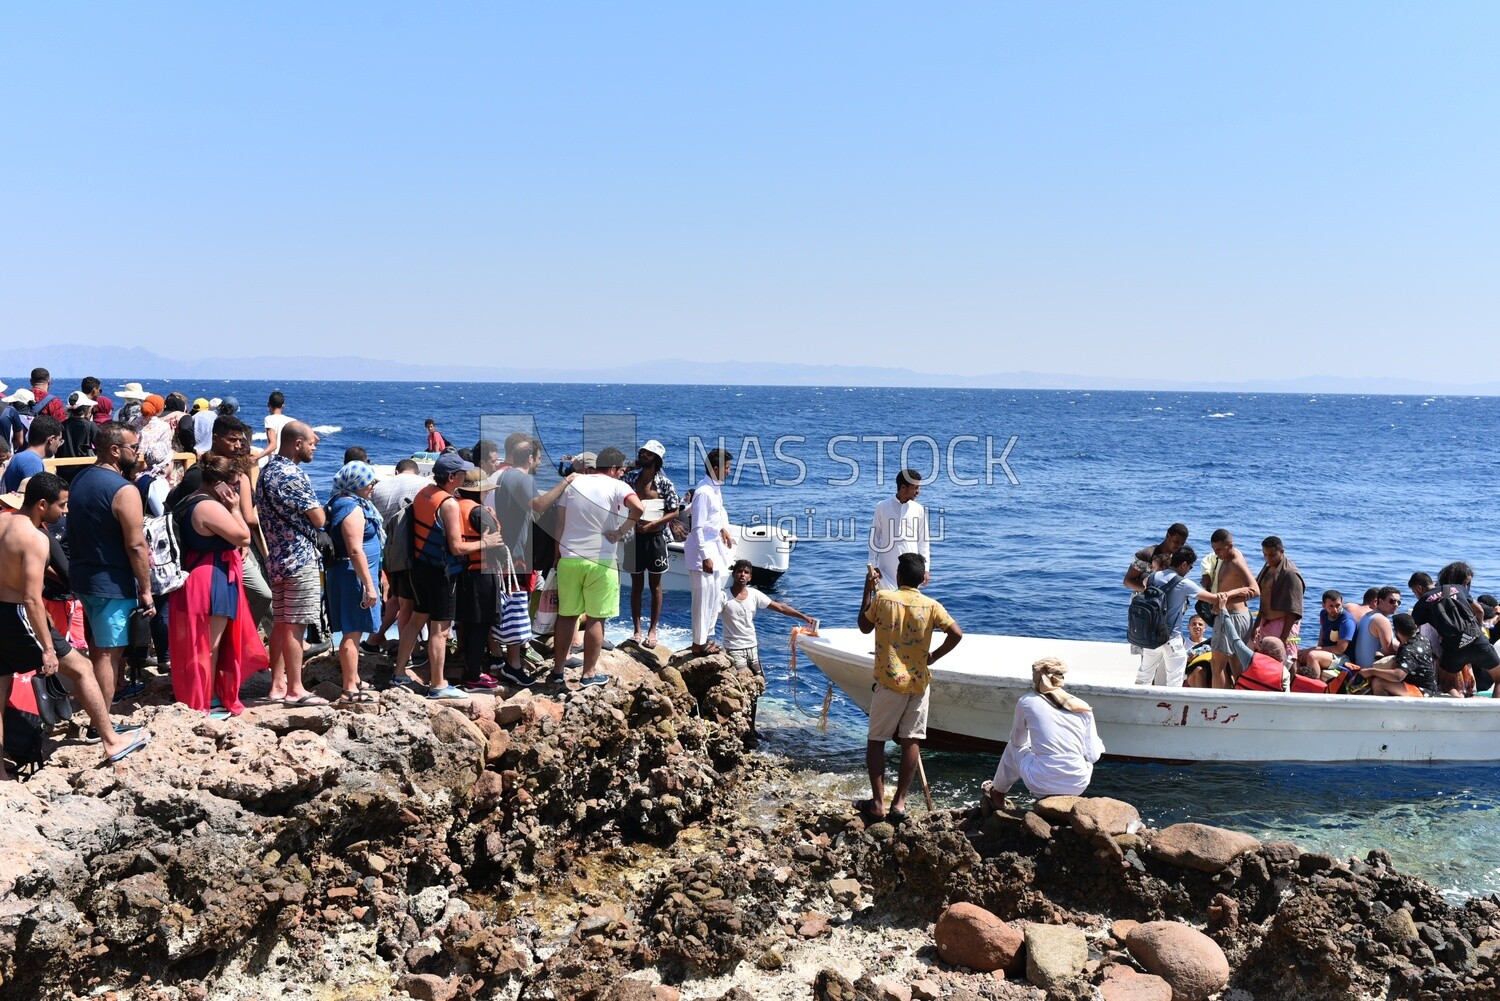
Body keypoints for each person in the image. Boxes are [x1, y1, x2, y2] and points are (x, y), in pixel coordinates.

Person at [0, 473, 149, 775]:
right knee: (82, 669)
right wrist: (47, 650)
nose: (65, 512)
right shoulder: (36, 539)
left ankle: (1, 771)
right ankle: (111, 740)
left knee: (0, 691)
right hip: (19, 614)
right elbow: (31, 599)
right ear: (42, 504)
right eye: (62, 505)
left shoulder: (2, 522)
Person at [856, 553, 962, 823]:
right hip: (918, 683)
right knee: (911, 740)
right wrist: (934, 657)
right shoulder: (931, 605)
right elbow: (956, 634)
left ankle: (878, 804)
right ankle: (899, 805)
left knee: (876, 741)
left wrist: (868, 589)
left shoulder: (883, 599)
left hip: (889, 682)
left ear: (900, 576)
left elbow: (864, 627)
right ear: (922, 579)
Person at [391, 452, 502, 700]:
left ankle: (399, 673)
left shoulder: (425, 492)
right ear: (452, 477)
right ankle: (438, 685)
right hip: (441, 574)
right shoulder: (448, 503)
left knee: (417, 620)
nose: (465, 476)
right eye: (462, 473)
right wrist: (486, 542)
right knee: (440, 630)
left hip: (419, 567)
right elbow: (457, 548)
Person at [168, 454, 267, 715]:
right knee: (209, 645)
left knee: (200, 643)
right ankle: (208, 699)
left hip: (199, 573)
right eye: (233, 485)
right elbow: (243, 536)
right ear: (219, 484)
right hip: (211, 577)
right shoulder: (209, 507)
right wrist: (234, 509)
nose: (235, 490)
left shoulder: (189, 500)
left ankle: (203, 695)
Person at [66, 422, 156, 707]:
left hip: (84, 577)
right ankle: (101, 721)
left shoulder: (80, 479)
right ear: (115, 451)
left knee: (98, 648)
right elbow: (136, 544)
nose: (138, 453)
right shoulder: (124, 490)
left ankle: (96, 709)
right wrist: (146, 589)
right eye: (134, 447)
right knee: (109, 652)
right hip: (111, 583)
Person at [551, 447, 644, 685]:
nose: (623, 474)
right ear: (613, 469)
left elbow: (559, 524)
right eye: (621, 470)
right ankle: (588, 674)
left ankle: (558, 670)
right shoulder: (618, 486)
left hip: (569, 558)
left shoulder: (574, 483)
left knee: (566, 616)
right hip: (601, 561)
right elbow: (639, 508)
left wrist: (557, 555)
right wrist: (621, 531)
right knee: (595, 618)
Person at [253, 420, 327, 706]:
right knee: (296, 626)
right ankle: (296, 689)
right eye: (310, 444)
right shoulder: (291, 474)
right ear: (297, 444)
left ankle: (277, 685)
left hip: (277, 560)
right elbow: (318, 519)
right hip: (299, 558)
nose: (313, 449)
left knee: (281, 625)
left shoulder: (267, 471)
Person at [719, 558, 817, 746]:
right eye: (739, 571)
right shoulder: (724, 596)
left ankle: (751, 728)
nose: (742, 575)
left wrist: (803, 616)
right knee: (744, 689)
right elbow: (710, 614)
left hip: (752, 649)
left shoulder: (755, 594)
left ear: (750, 576)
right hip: (734, 650)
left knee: (757, 688)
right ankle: (743, 730)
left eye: (746, 572)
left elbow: (779, 607)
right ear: (733, 574)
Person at [983, 657, 1104, 806]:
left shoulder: (1027, 701)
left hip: (1041, 781)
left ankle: (998, 793)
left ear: (1038, 677)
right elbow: (1093, 755)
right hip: (1078, 784)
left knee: (1013, 747)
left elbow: (1017, 741)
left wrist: (1036, 749)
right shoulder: (1082, 707)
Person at [325, 461, 383, 704]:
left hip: (353, 574)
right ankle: (349, 689)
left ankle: (355, 677)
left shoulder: (345, 502)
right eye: (369, 482)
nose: (372, 486)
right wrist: (369, 585)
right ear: (356, 483)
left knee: (354, 629)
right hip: (353, 576)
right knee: (353, 630)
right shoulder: (351, 508)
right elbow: (355, 550)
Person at [368, 457, 428, 655]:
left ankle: (375, 639)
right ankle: (407, 651)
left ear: (396, 471)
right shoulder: (425, 485)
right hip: (412, 552)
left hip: (387, 552)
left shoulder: (379, 487)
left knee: (395, 597)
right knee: (407, 602)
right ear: (416, 472)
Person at [624, 440, 680, 649]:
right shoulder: (631, 478)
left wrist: (653, 525)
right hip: (633, 538)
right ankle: (637, 630)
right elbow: (618, 474)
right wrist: (633, 464)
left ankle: (652, 630)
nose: (643, 455)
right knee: (636, 585)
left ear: (657, 459)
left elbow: (675, 511)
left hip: (655, 538)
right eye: (642, 452)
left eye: (648, 453)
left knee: (655, 585)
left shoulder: (664, 483)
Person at [1415, 561, 1500, 695]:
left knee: (1447, 684)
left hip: (1453, 648)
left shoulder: (1423, 600)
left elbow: (1414, 626)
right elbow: (1479, 611)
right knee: (1499, 679)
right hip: (1477, 642)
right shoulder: (1458, 589)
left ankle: (1458, 707)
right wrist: (1476, 628)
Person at [453, 468, 503, 691]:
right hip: (481, 574)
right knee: (480, 625)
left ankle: (469, 668)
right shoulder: (479, 512)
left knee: (468, 623)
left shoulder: (455, 506)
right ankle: (474, 676)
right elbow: (498, 543)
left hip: (462, 573)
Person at [686, 448, 734, 654]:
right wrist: (705, 557)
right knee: (702, 599)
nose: (729, 471)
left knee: (714, 597)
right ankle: (698, 644)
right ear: (716, 469)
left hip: (713, 546)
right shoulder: (704, 492)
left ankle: (705, 638)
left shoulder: (715, 488)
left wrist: (724, 529)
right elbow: (697, 527)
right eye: (727, 468)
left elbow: (718, 513)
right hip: (701, 550)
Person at [1200, 529, 1259, 688]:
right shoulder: (1224, 558)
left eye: (1218, 549)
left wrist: (1226, 598)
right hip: (1241, 616)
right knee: (1236, 663)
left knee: (1216, 665)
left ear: (1230, 546)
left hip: (1230, 618)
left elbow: (1255, 590)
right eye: (1213, 549)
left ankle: (1219, 703)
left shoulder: (1235, 561)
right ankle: (1239, 698)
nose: (1215, 553)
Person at [1134, 546, 1199, 687]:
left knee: (1144, 676)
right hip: (1171, 639)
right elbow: (1211, 598)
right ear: (1184, 564)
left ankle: (1137, 705)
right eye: (1191, 567)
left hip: (1151, 637)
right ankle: (1171, 709)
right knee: (1174, 682)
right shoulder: (1184, 583)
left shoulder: (1152, 577)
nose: (1189, 570)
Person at [868, 469, 931, 592]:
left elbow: (923, 541)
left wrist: (926, 568)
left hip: (911, 573)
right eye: (916, 488)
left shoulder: (919, 509)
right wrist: (873, 566)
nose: (919, 491)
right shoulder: (882, 506)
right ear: (903, 487)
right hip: (884, 573)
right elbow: (874, 537)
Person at [1252, 537, 1304, 665]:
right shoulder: (1267, 568)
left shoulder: (1290, 574)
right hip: (1266, 622)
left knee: (1287, 660)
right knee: (1266, 660)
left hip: (1284, 625)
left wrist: (1283, 637)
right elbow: (1264, 599)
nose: (1269, 558)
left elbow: (1294, 609)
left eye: (1272, 555)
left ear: (1282, 551)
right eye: (1265, 555)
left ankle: (1290, 685)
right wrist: (1257, 624)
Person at [1359, 613, 1436, 697]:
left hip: (1422, 691)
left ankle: (1386, 710)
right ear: (1415, 626)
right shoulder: (1423, 639)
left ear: (1397, 632)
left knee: (1378, 683)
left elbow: (1398, 676)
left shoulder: (1408, 650)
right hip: (1428, 686)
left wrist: (1371, 671)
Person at [1299, 590, 1357, 678]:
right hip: (1327, 652)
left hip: (1343, 657)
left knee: (1313, 656)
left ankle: (1314, 687)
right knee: (1298, 654)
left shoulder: (1346, 621)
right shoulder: (1323, 614)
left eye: (1338, 605)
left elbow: (1340, 649)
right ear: (1324, 606)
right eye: (1331, 606)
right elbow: (1323, 629)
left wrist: (1316, 649)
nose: (1335, 609)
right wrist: (1317, 647)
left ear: (1342, 603)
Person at [1123, 523, 1190, 592]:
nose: (1179, 546)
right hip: (1144, 601)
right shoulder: (1147, 554)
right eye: (1176, 542)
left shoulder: (1178, 558)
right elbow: (1127, 582)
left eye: (1182, 543)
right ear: (1168, 536)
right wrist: (1155, 592)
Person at [3, 415, 62, 493]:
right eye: (59, 440)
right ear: (51, 439)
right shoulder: (32, 461)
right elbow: (36, 498)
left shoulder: (22, 457)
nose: (59, 444)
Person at [1348, 586, 1400, 674]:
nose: (1396, 604)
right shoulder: (1381, 620)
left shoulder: (1367, 615)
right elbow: (1388, 651)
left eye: (1399, 602)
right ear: (1380, 601)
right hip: (1371, 670)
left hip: (1360, 665)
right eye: (1392, 601)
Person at [57, 392, 98, 466]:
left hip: (63, 468)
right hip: (82, 469)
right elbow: (102, 445)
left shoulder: (62, 425)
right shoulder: (90, 425)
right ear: (86, 409)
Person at [254, 390, 292, 466]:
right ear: (283, 406)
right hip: (290, 463)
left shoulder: (269, 419)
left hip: (276, 463)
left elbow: (273, 445)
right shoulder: (292, 421)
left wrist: (256, 457)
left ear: (268, 405)